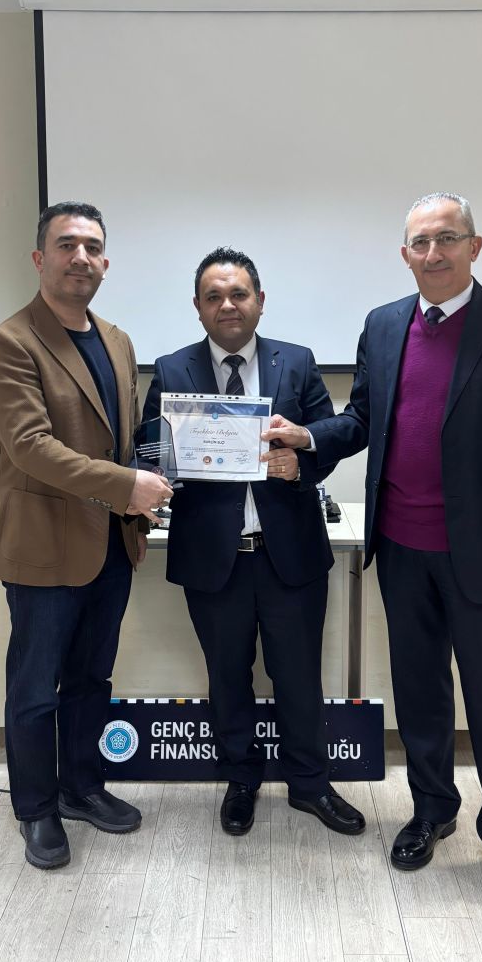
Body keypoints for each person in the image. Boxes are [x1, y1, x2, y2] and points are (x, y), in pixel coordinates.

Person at [266, 193, 482, 930]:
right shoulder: (383, 324)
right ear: (404, 254)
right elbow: (363, 420)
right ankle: (433, 809)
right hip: (401, 551)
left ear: (474, 246)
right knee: (421, 695)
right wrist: (308, 438)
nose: (433, 254)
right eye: (419, 243)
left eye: (447, 239)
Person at [141, 247, 365, 837]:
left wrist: (301, 460)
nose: (228, 305)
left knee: (299, 677)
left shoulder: (297, 361)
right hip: (213, 560)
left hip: (288, 553)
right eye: (213, 297)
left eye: (238, 294)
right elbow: (148, 447)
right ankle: (241, 780)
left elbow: (330, 433)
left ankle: (310, 785)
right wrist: (161, 469)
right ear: (197, 307)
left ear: (260, 301)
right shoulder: (171, 369)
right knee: (227, 677)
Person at [0, 201, 172, 869]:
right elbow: (31, 446)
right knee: (36, 687)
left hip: (111, 544)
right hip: (43, 545)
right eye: (66, 245)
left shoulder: (117, 340)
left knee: (91, 678)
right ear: (40, 258)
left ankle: (81, 787)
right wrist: (125, 486)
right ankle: (36, 809)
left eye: (91, 247)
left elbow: (125, 439)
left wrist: (142, 504)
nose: (80, 258)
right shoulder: (10, 342)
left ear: (105, 263)